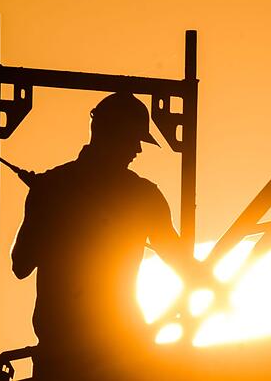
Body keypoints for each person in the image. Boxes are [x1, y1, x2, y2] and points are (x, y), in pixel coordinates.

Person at [11, 92, 195, 379]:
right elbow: (183, 264)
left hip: (63, 357)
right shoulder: (142, 197)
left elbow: (20, 263)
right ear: (110, 135)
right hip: (116, 353)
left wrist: (48, 204)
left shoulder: (52, 188)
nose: (138, 150)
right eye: (133, 139)